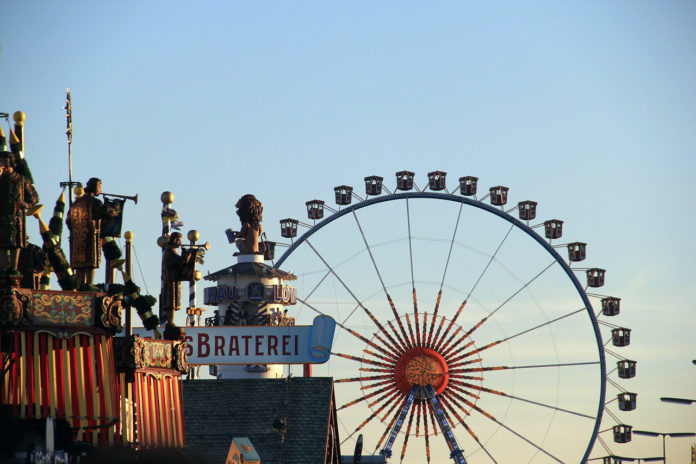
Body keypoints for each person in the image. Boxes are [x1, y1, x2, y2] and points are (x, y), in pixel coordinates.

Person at [66, 177, 120, 285]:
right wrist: (117, 207)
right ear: (94, 187)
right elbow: (109, 213)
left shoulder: (76, 203)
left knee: (80, 268)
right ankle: (89, 286)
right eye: (99, 187)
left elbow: (68, 221)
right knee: (91, 265)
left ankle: (80, 285)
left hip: (77, 241)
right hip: (90, 238)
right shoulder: (94, 202)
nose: (100, 189)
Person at [0, 151, 39, 275]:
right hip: (2, 216)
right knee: (2, 243)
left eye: (4, 161)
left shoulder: (20, 179)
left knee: (16, 243)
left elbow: (33, 197)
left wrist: (27, 204)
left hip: (17, 217)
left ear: (10, 162)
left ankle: (13, 267)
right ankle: (3, 267)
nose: (2, 163)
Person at [160, 232, 194, 325]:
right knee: (171, 303)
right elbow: (181, 261)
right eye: (179, 241)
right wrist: (188, 254)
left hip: (174, 280)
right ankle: (170, 322)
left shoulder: (172, 251)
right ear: (175, 240)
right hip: (171, 280)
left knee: (173, 303)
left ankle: (171, 322)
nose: (180, 243)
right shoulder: (170, 251)